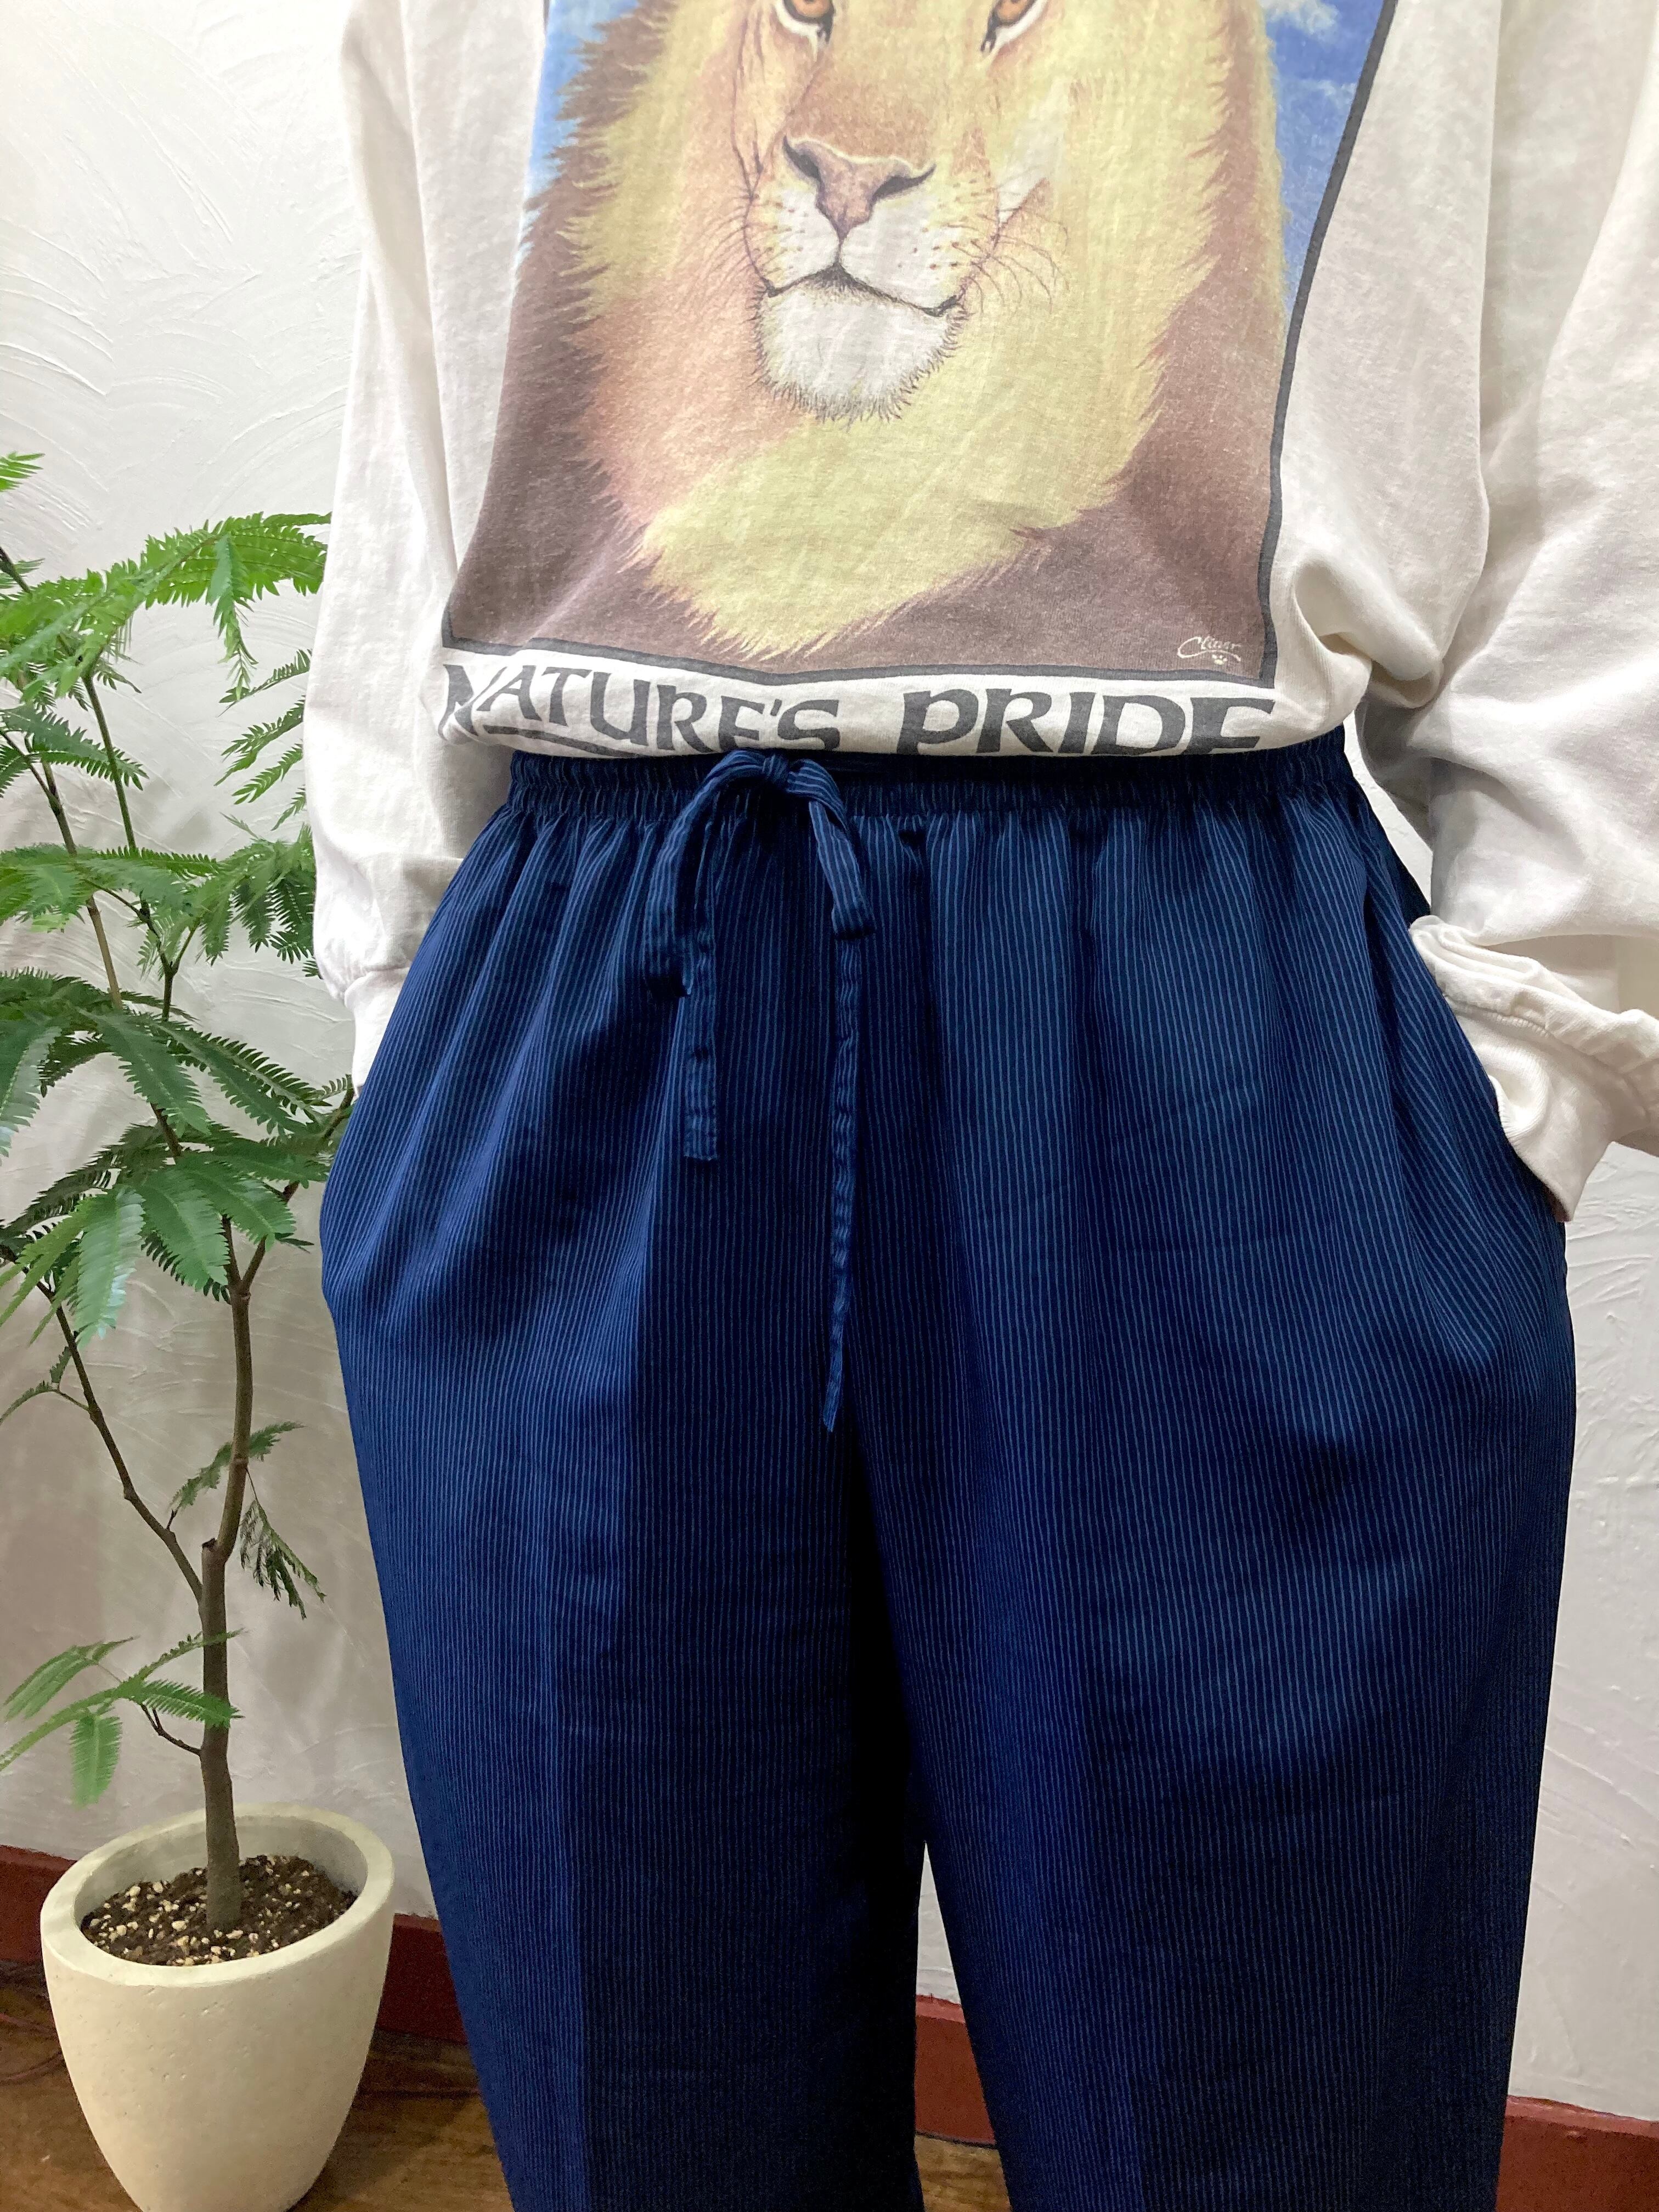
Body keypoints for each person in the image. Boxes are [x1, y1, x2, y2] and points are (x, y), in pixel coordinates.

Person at [306, 2, 1659, 2206]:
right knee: (648, 2116)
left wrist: (1527, 1065)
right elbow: (419, 361)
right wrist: (408, 1023)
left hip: (1212, 1006)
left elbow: (1604, 359)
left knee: (1268, 2123)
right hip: (588, 991)